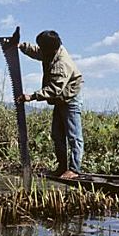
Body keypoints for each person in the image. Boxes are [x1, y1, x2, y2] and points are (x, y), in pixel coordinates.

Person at [14, 28, 84, 179]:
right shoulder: (51, 51)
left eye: (42, 47)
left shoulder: (62, 64)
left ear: (50, 48)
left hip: (70, 100)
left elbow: (54, 89)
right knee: (57, 135)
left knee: (74, 136)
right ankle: (62, 168)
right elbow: (36, 52)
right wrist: (20, 46)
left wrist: (32, 97)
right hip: (60, 100)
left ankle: (74, 170)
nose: (41, 50)